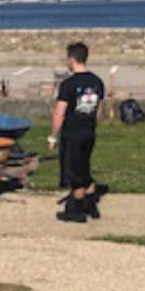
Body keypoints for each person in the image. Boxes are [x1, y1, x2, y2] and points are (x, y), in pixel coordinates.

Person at [48, 42, 104, 223]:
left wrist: (53, 136)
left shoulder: (68, 84)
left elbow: (59, 113)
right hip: (89, 130)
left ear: (72, 59)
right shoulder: (97, 82)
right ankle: (91, 205)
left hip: (72, 132)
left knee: (75, 172)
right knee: (84, 166)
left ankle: (77, 211)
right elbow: (99, 111)